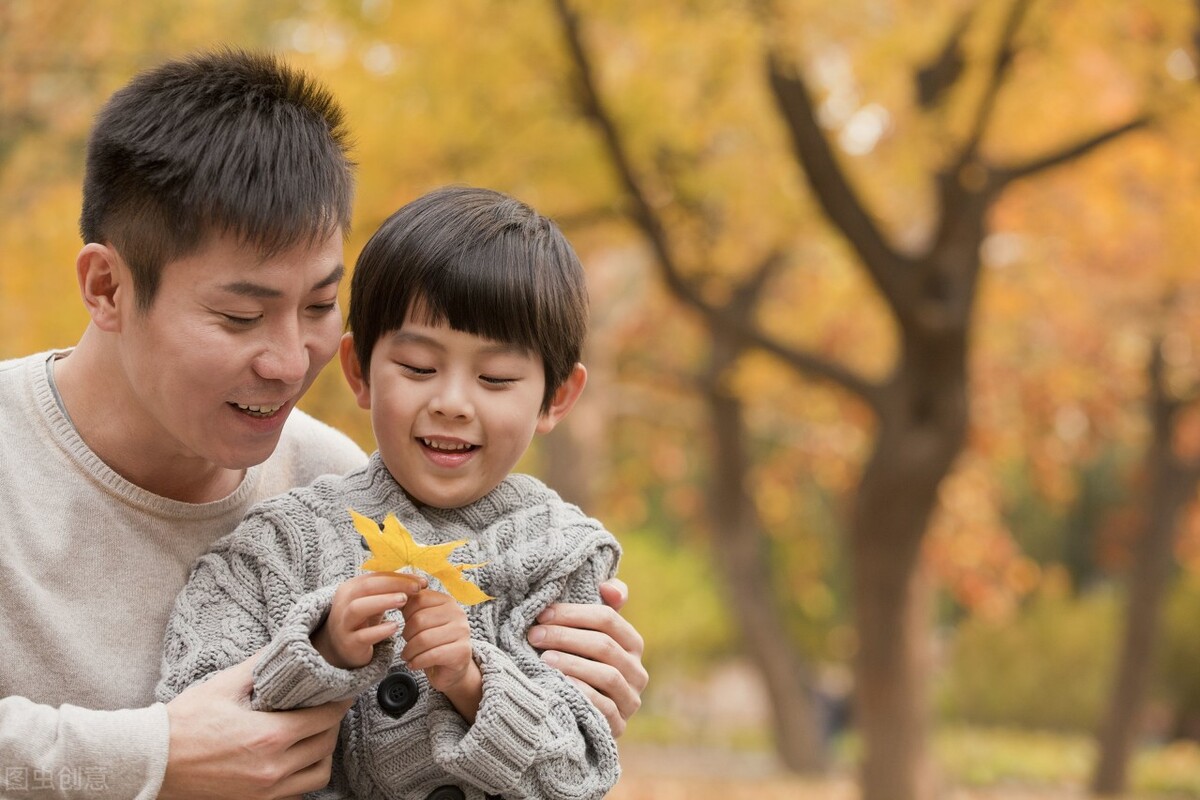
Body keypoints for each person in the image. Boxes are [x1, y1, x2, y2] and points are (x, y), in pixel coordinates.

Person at [0, 50, 646, 800]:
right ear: (107, 286)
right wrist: (152, 756)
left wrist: (565, 694)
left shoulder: (334, 482)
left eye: (315, 307)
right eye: (240, 315)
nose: (287, 361)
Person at [158, 185, 622, 800]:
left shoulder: (558, 557)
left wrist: (473, 680)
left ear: (555, 397)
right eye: (418, 368)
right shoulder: (278, 545)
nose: (452, 403)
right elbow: (192, 725)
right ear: (359, 371)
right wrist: (321, 648)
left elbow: (579, 771)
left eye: (497, 378)